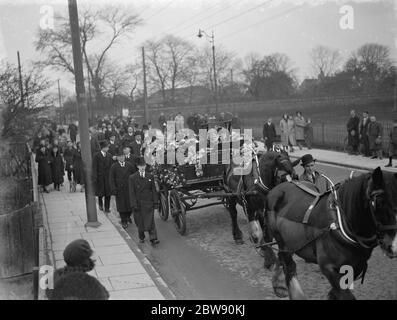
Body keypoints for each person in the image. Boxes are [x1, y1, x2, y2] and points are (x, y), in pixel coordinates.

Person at [129, 157, 160, 245]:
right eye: (141, 166)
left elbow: (153, 190)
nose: (143, 167)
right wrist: (133, 203)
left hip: (148, 202)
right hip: (138, 203)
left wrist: (155, 202)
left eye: (144, 165)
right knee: (140, 221)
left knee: (150, 220)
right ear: (137, 166)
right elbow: (131, 192)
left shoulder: (150, 176)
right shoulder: (132, 177)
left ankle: (153, 238)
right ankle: (141, 236)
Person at [109, 151, 136, 229]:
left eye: (123, 156)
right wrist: (113, 188)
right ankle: (123, 220)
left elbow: (134, 175)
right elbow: (111, 178)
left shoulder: (129, 165)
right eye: (120, 156)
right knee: (122, 206)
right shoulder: (114, 166)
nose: (122, 158)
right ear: (117, 158)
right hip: (119, 189)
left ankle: (128, 216)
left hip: (129, 188)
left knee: (130, 205)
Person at [92, 141, 112, 212]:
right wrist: (95, 177)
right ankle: (100, 204)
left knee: (108, 193)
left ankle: (107, 207)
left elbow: (111, 166)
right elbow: (94, 167)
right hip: (100, 177)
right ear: (103, 148)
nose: (107, 149)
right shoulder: (96, 155)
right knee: (100, 192)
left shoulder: (109, 155)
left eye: (108, 147)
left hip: (107, 177)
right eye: (106, 147)